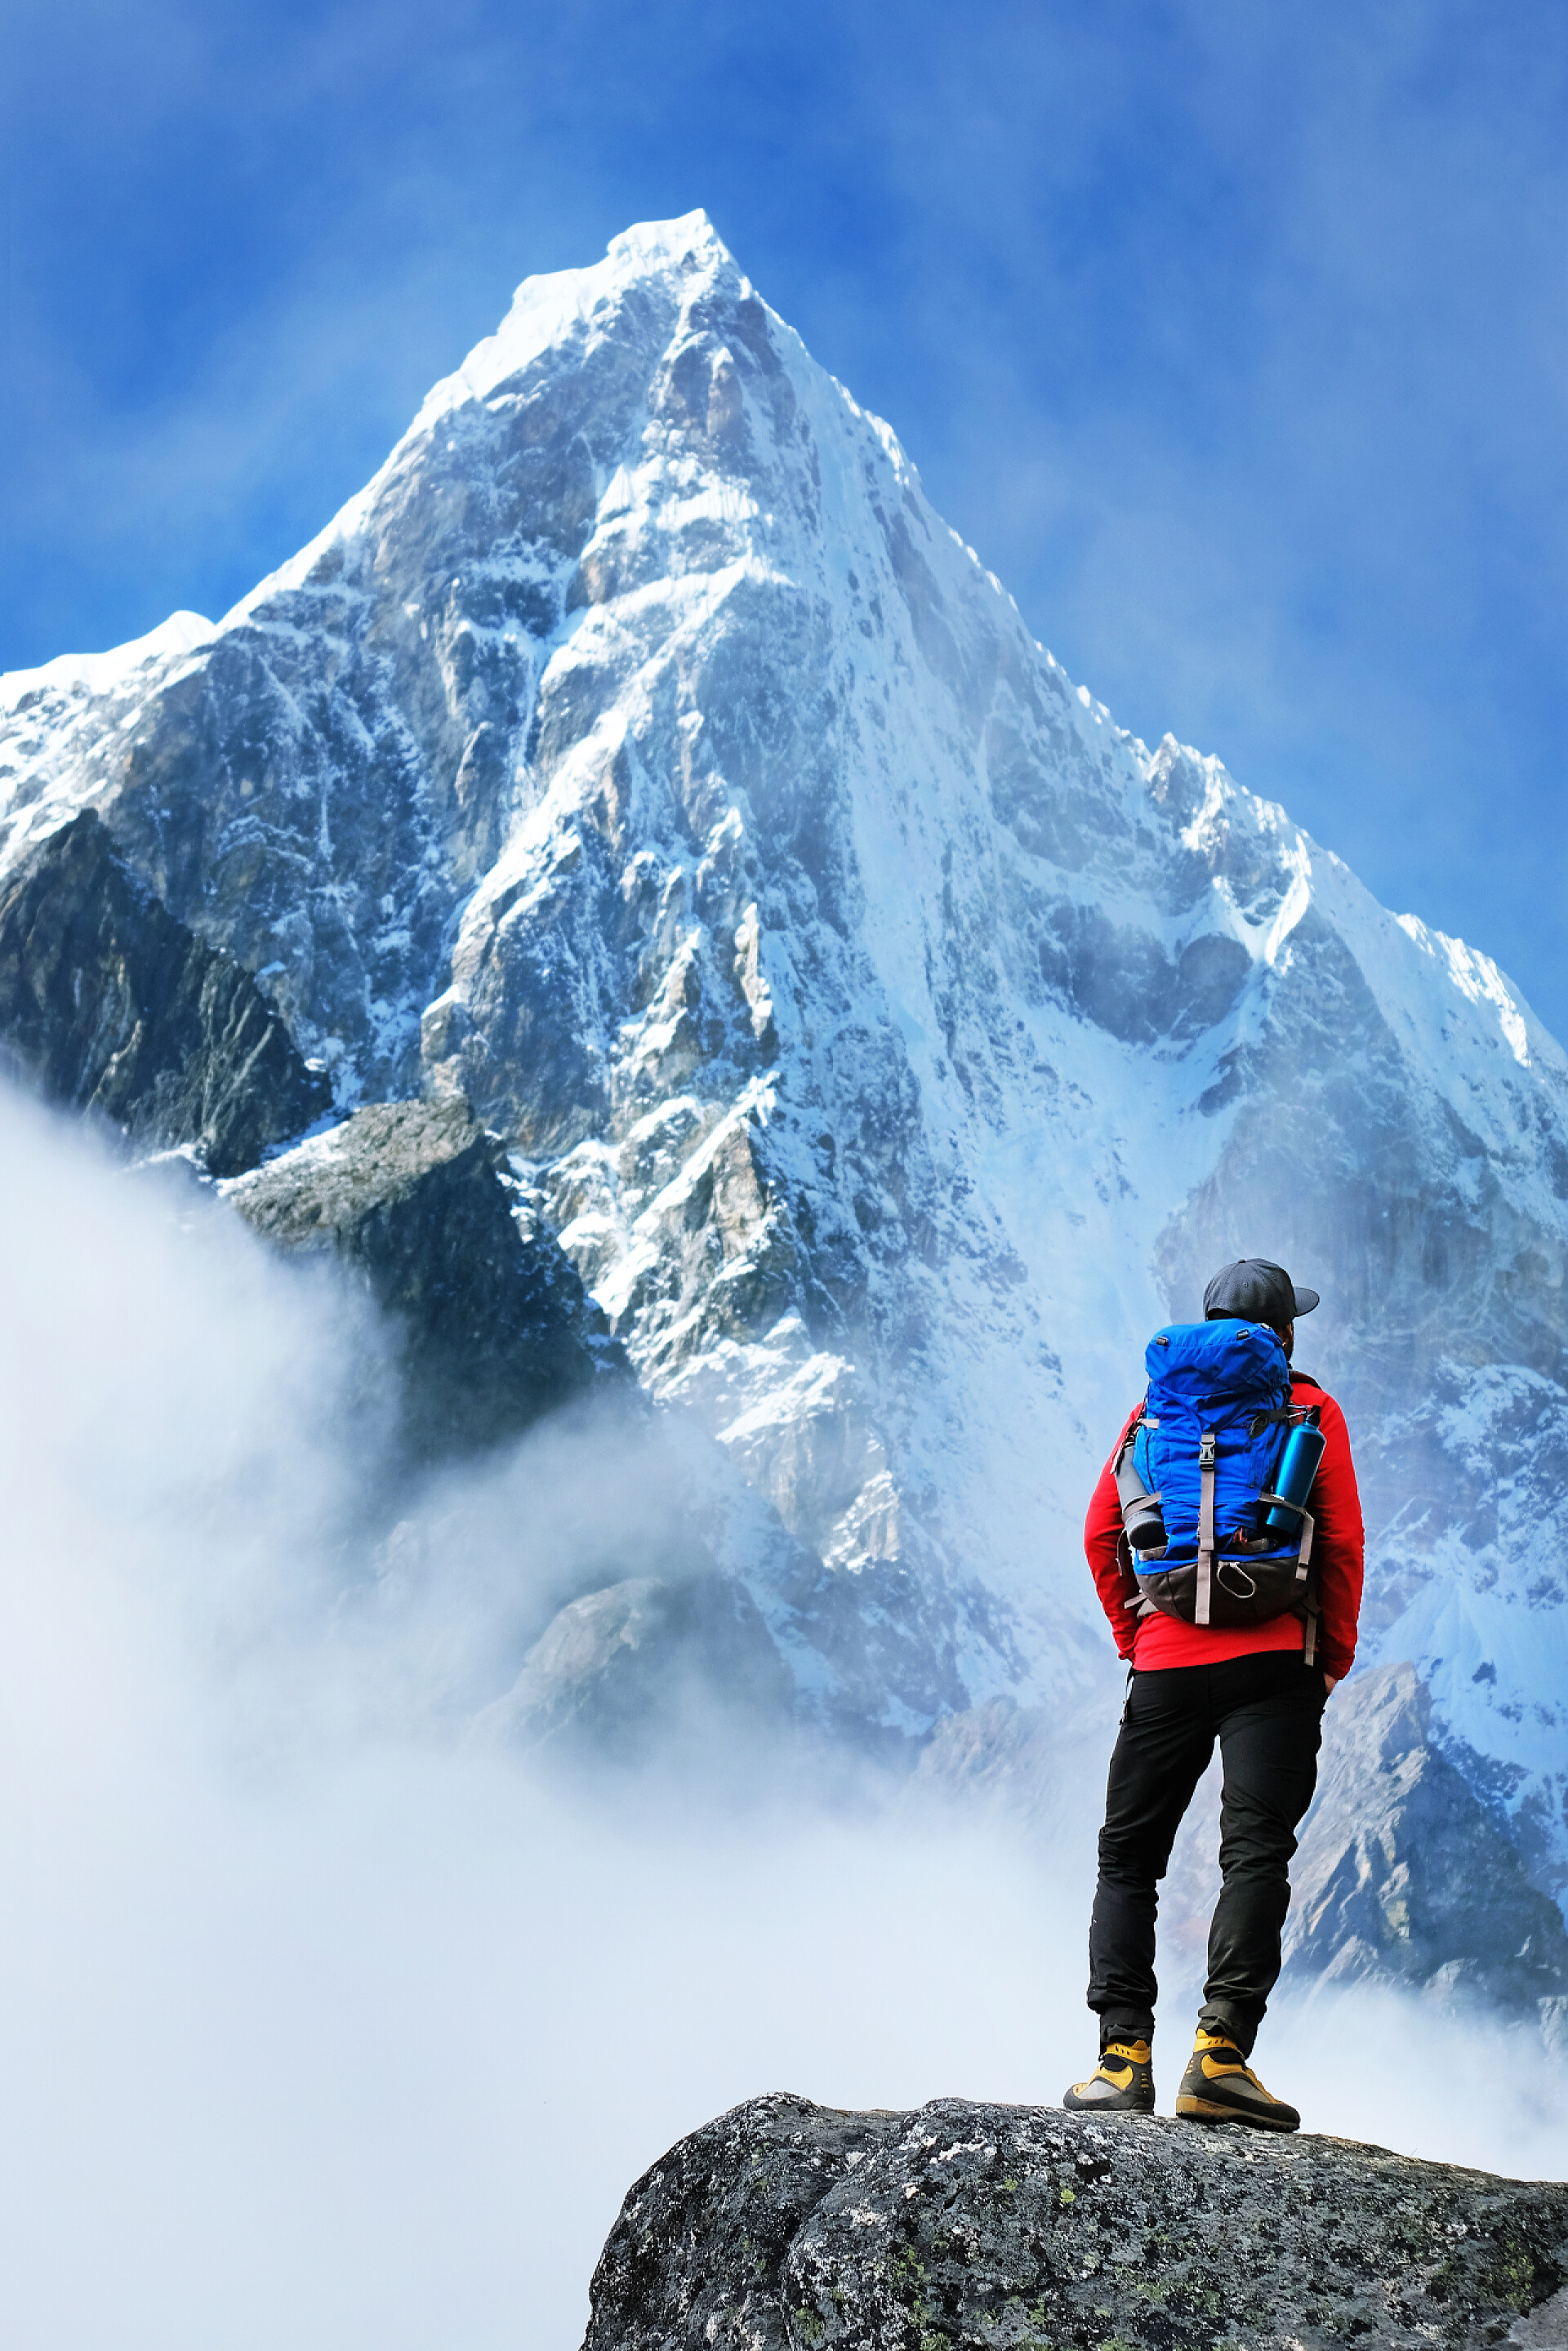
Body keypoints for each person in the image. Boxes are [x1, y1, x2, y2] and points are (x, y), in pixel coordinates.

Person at [1063, 1258, 1364, 2130]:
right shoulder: (1311, 1408)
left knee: (1129, 1856)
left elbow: (1099, 1530)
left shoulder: (1155, 1408)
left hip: (1163, 1661)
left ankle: (1121, 2059)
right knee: (1254, 1853)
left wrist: (1140, 1639)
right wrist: (1326, 1659)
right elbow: (1340, 1541)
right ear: (1286, 1332)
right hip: (1274, 1663)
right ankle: (1221, 2057)